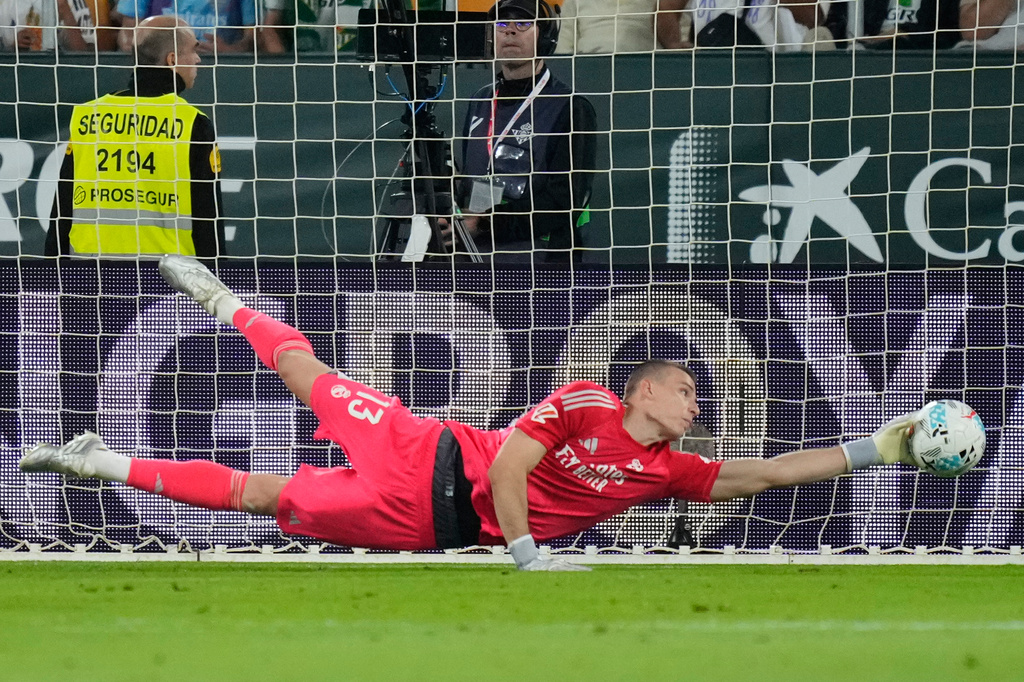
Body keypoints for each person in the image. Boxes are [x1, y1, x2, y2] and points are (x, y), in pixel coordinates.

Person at [20, 255, 923, 571]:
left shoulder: (665, 472)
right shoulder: (587, 402)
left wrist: (877, 448)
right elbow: (507, 471)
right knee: (309, 376)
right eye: (687, 386)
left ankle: (102, 462)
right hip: (429, 451)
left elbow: (768, 473)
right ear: (644, 388)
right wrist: (528, 554)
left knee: (270, 498)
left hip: (421, 523)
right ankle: (221, 300)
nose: (698, 400)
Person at [44, 15, 226, 258]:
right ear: (171, 60)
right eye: (193, 50)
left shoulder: (88, 116)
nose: (198, 59)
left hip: (89, 277)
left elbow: (61, 211)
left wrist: (53, 278)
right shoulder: (193, 124)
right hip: (168, 281)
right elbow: (208, 221)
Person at [449, 0, 597, 264]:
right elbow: (471, 176)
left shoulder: (571, 107)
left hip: (541, 263)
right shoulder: (480, 100)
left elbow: (564, 201)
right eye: (502, 23)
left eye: (524, 23)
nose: (510, 31)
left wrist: (483, 224)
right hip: (474, 255)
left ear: (546, 36)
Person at [114, 0, 256, 53]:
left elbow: (254, 38)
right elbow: (129, 34)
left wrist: (229, 51)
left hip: (222, 68)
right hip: (163, 67)